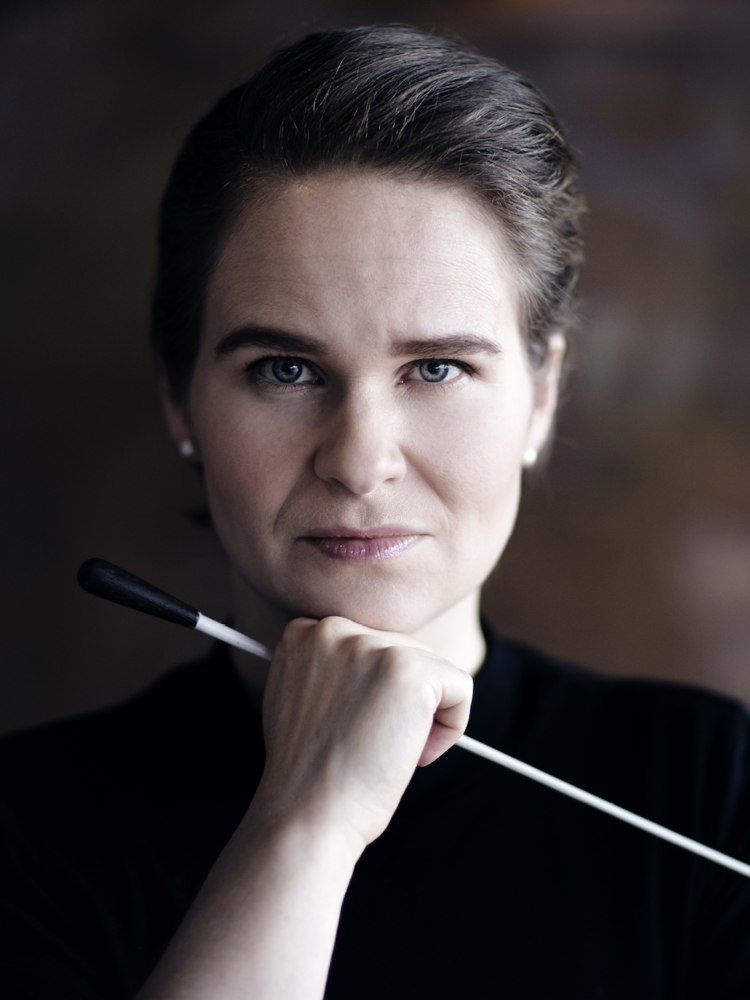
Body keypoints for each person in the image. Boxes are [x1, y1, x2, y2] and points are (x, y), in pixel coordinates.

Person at [1, 25, 749, 1000]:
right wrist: (307, 823)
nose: (359, 462)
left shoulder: (710, 789)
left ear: (540, 398)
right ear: (180, 399)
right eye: (284, 369)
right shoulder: (27, 829)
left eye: (436, 368)